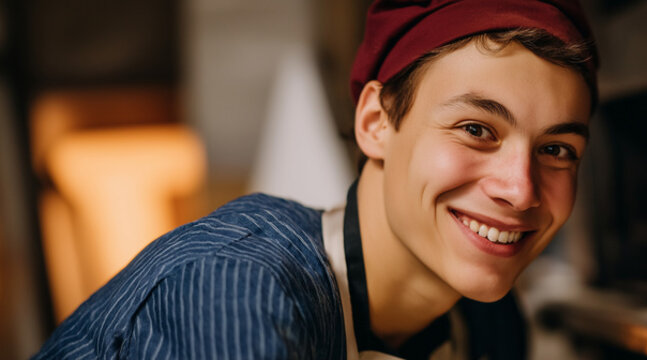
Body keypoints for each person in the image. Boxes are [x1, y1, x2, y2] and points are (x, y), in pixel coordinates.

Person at [33, 0, 598, 358]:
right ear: (376, 124)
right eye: (476, 129)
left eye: (556, 148)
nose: (520, 189)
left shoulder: (488, 326)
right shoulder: (238, 285)